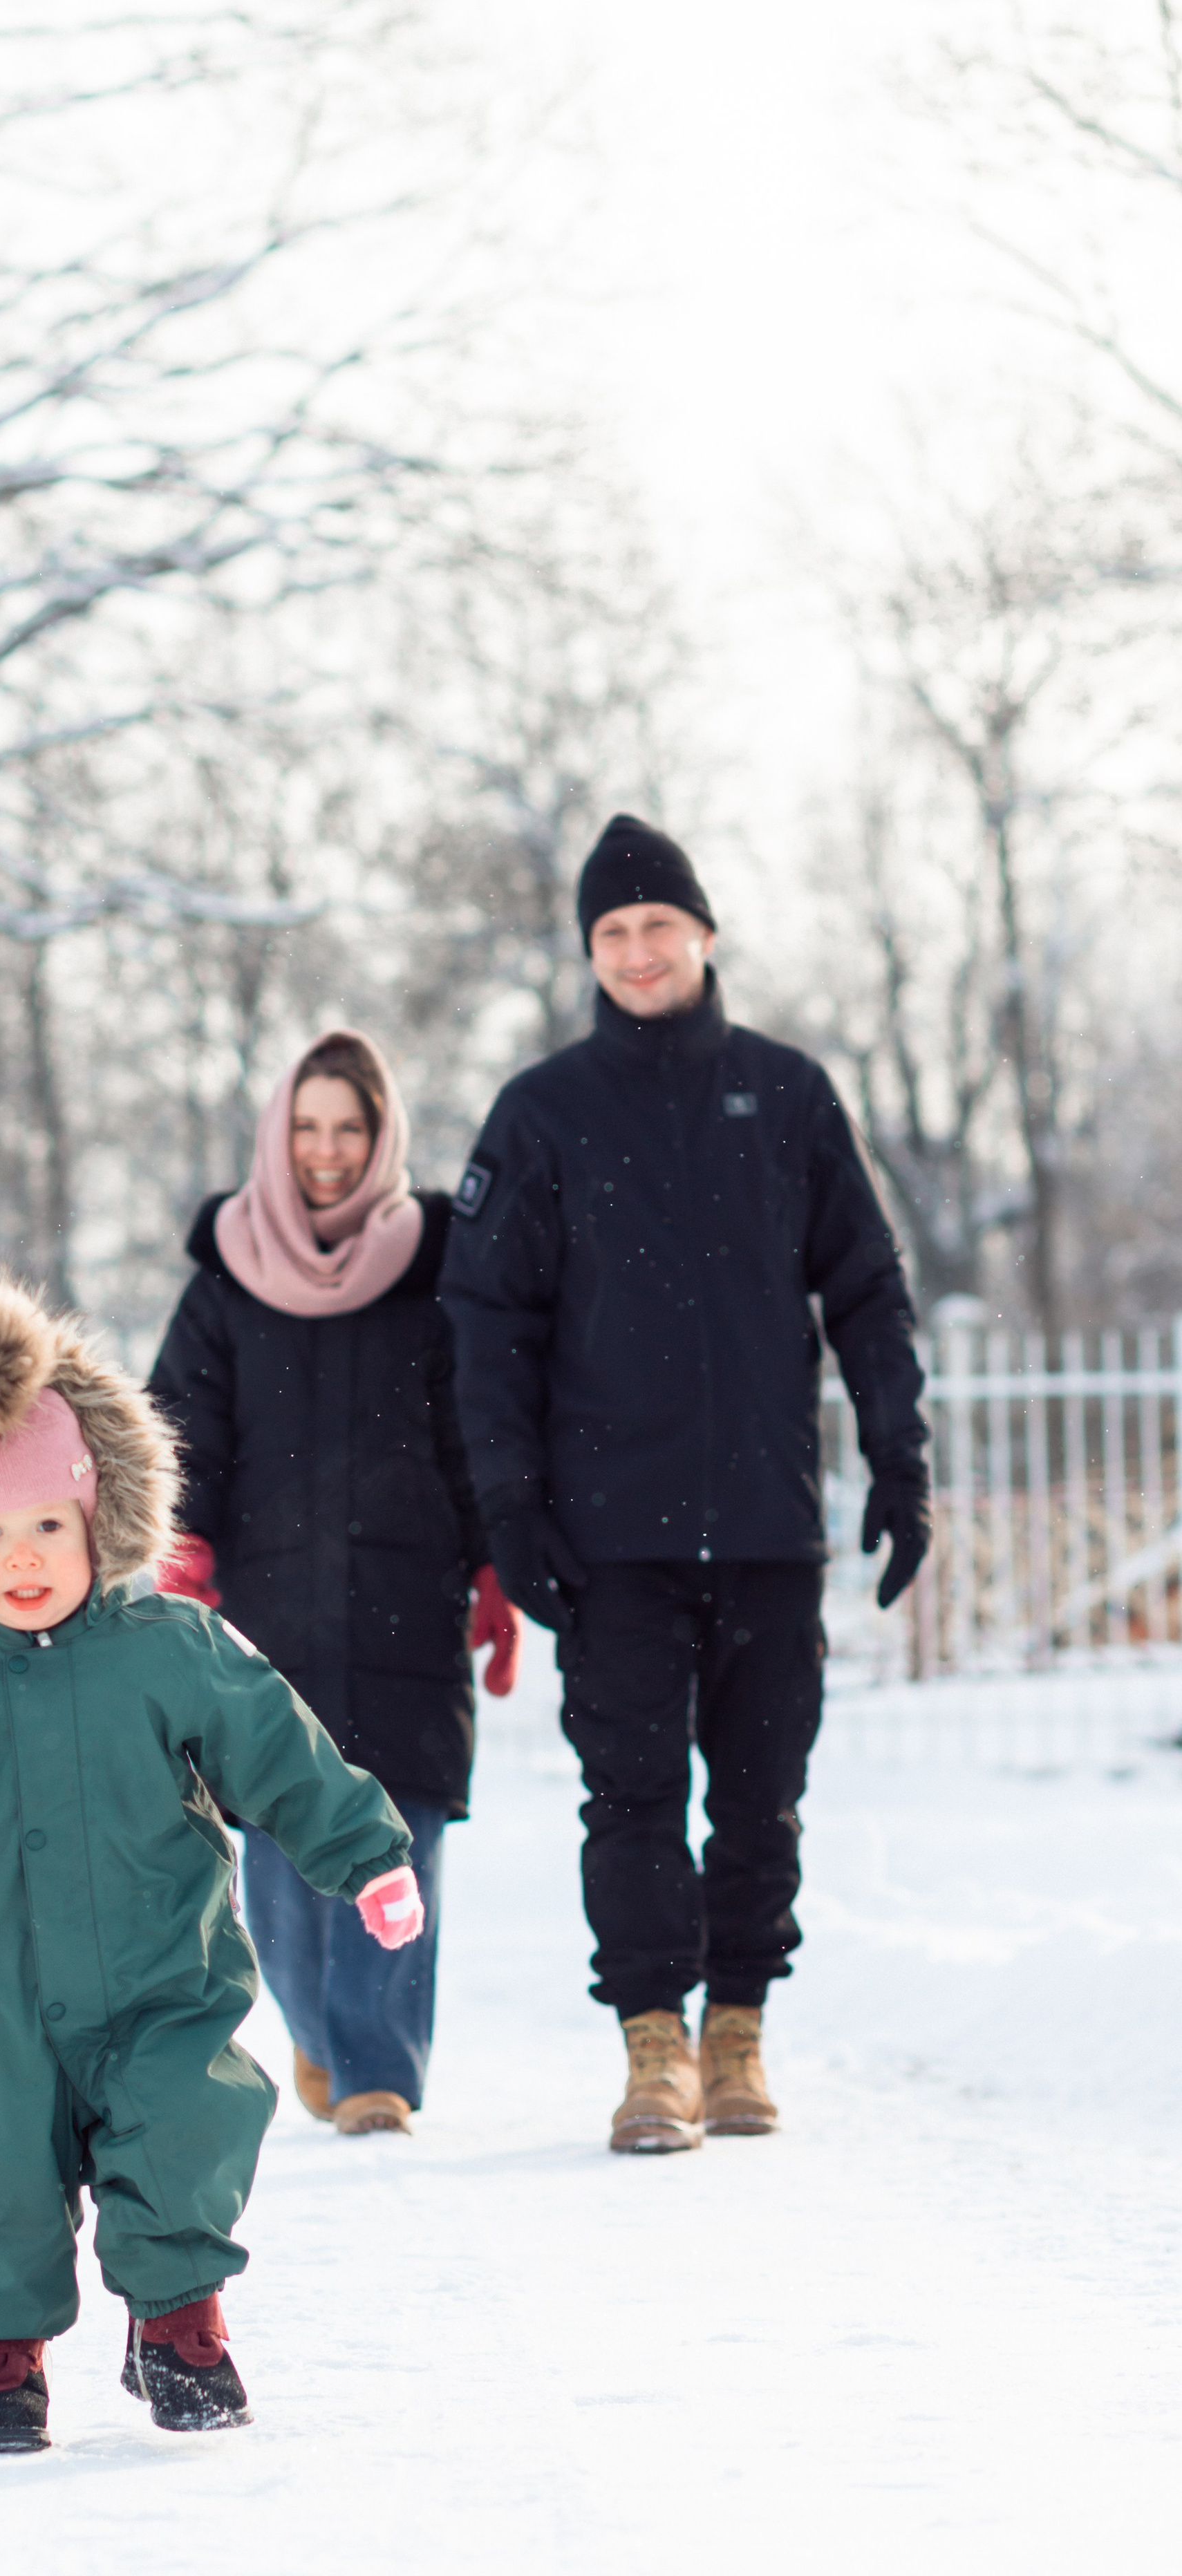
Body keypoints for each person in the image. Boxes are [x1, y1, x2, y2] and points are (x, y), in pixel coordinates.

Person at [0, 1271, 422, 2453]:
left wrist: (366, 1856)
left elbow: (282, 1755)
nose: (22, 1558)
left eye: (46, 1528)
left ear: (97, 1519)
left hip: (165, 1978)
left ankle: (178, 2322)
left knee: (183, 2129)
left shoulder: (173, 1650)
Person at [441, 816, 928, 2154]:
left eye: (658, 924)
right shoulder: (542, 1113)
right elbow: (486, 1324)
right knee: (633, 1796)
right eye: (611, 932)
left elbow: (866, 1290)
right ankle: (653, 2047)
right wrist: (512, 1506)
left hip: (766, 1525)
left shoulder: (787, 1096)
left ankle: (738, 2031)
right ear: (588, 953)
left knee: (761, 1795)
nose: (637, 950)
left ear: (705, 934)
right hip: (612, 1540)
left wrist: (899, 1459)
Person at [150, 1030, 519, 2139]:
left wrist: (497, 1564)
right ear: (279, 1134)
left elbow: (475, 1434)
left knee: (401, 1838)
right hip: (268, 1621)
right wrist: (180, 1547)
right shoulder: (225, 1286)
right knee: (283, 1861)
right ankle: (318, 2035)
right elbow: (179, 1436)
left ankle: (377, 2075)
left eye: (348, 1127)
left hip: (413, 1605)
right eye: (307, 1126)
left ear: (381, 1136)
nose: (326, 1149)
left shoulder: (436, 1276)